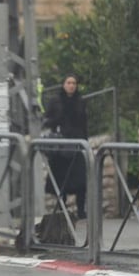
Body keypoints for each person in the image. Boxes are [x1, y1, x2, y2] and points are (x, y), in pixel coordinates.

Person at [43, 74, 90, 219]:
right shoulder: (55, 101)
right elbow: (47, 120)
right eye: (69, 83)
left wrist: (85, 142)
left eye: (74, 83)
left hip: (77, 143)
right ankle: (62, 208)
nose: (71, 86)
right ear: (63, 84)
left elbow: (84, 123)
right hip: (61, 144)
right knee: (61, 177)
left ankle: (81, 210)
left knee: (81, 179)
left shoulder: (80, 102)